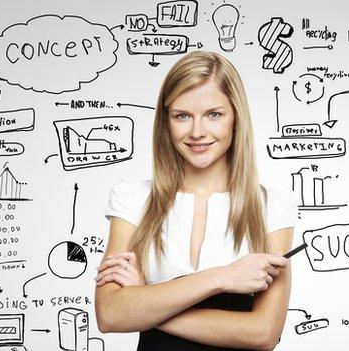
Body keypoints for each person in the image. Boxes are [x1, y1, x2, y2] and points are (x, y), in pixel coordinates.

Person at [94, 50, 298, 350]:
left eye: (213, 115)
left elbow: (263, 333)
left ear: (235, 118)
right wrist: (223, 277)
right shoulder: (133, 198)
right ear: (166, 121)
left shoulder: (271, 206)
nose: (197, 132)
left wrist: (144, 306)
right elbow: (109, 314)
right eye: (182, 116)